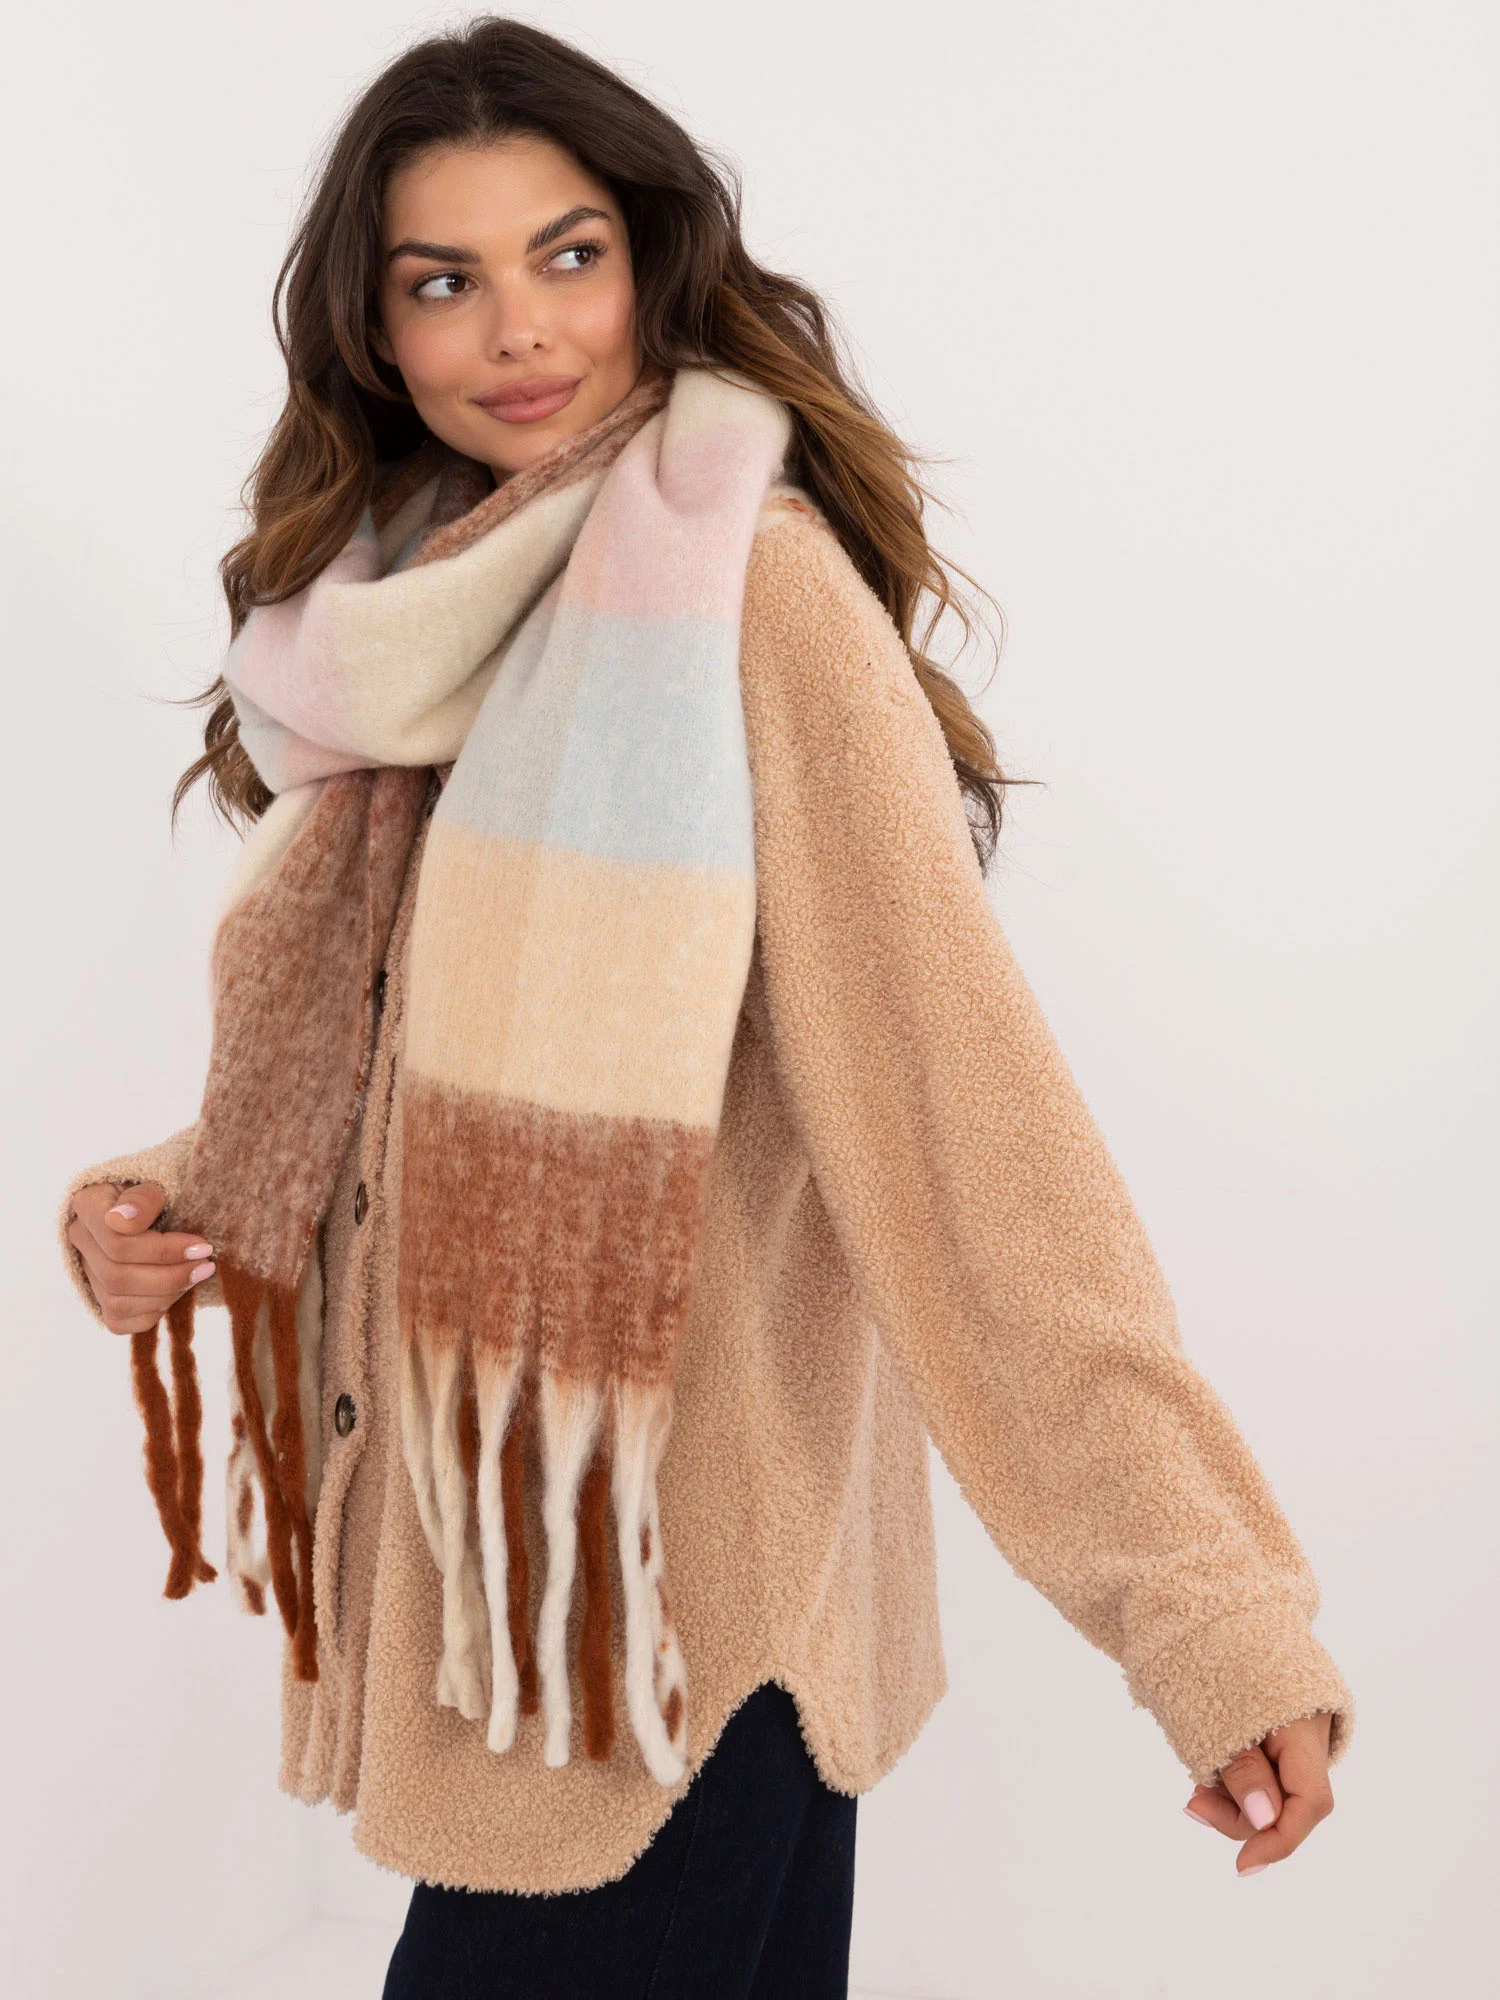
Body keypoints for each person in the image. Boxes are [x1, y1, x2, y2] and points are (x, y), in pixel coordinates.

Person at [58, 17, 1354, 1998]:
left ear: (653, 259)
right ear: (373, 331)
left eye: (568, 255)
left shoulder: (749, 594)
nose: (520, 329)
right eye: (444, 280)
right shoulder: (415, 612)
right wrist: (179, 1188)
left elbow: (962, 1130)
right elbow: (440, 1056)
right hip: (534, 1627)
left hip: (675, 1626)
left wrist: (1206, 1611)